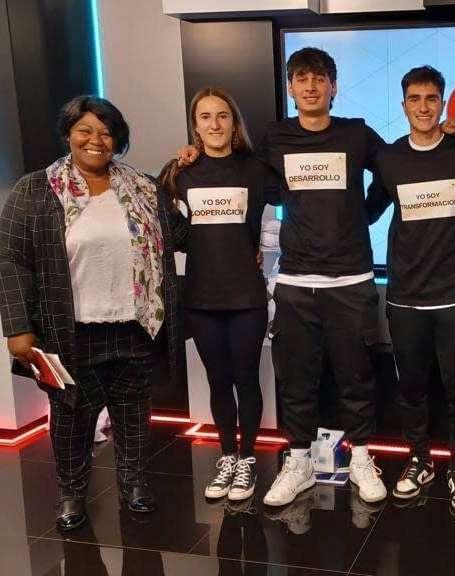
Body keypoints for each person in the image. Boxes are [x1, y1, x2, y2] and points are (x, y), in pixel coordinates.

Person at [181, 47, 390, 505]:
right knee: (297, 379)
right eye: (302, 78)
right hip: (295, 280)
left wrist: (364, 214)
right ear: (291, 88)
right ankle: (298, 462)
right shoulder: (275, 138)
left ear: (334, 87)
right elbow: (238, 173)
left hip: (351, 279)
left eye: (320, 78)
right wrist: (192, 153)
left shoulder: (356, 134)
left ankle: (360, 459)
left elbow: (396, 172)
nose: (311, 86)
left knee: (356, 376)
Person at [0, 95, 184, 531]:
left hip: (136, 324)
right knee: (70, 418)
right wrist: (17, 327)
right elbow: (10, 259)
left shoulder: (143, 187)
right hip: (68, 330)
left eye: (107, 131)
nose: (96, 140)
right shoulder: (36, 189)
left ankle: (134, 484)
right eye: (86, 130)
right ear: (68, 135)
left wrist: (187, 172)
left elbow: (180, 234)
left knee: (133, 413)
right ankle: (71, 493)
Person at [366, 65, 455, 512]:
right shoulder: (389, 159)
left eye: (431, 99)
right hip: (405, 297)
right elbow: (368, 209)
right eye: (415, 99)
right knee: (411, 389)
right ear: (403, 105)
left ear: (443, 103)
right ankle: (419, 460)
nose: (423, 107)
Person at [159, 87, 274, 502]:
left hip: (246, 295)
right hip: (201, 296)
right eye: (205, 117)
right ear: (195, 126)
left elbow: (294, 201)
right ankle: (227, 456)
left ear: (233, 122)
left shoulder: (255, 169)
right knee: (218, 380)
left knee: (246, 378)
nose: (215, 124)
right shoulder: (180, 172)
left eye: (222, 116)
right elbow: (162, 219)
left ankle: (247, 459)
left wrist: (265, 245)